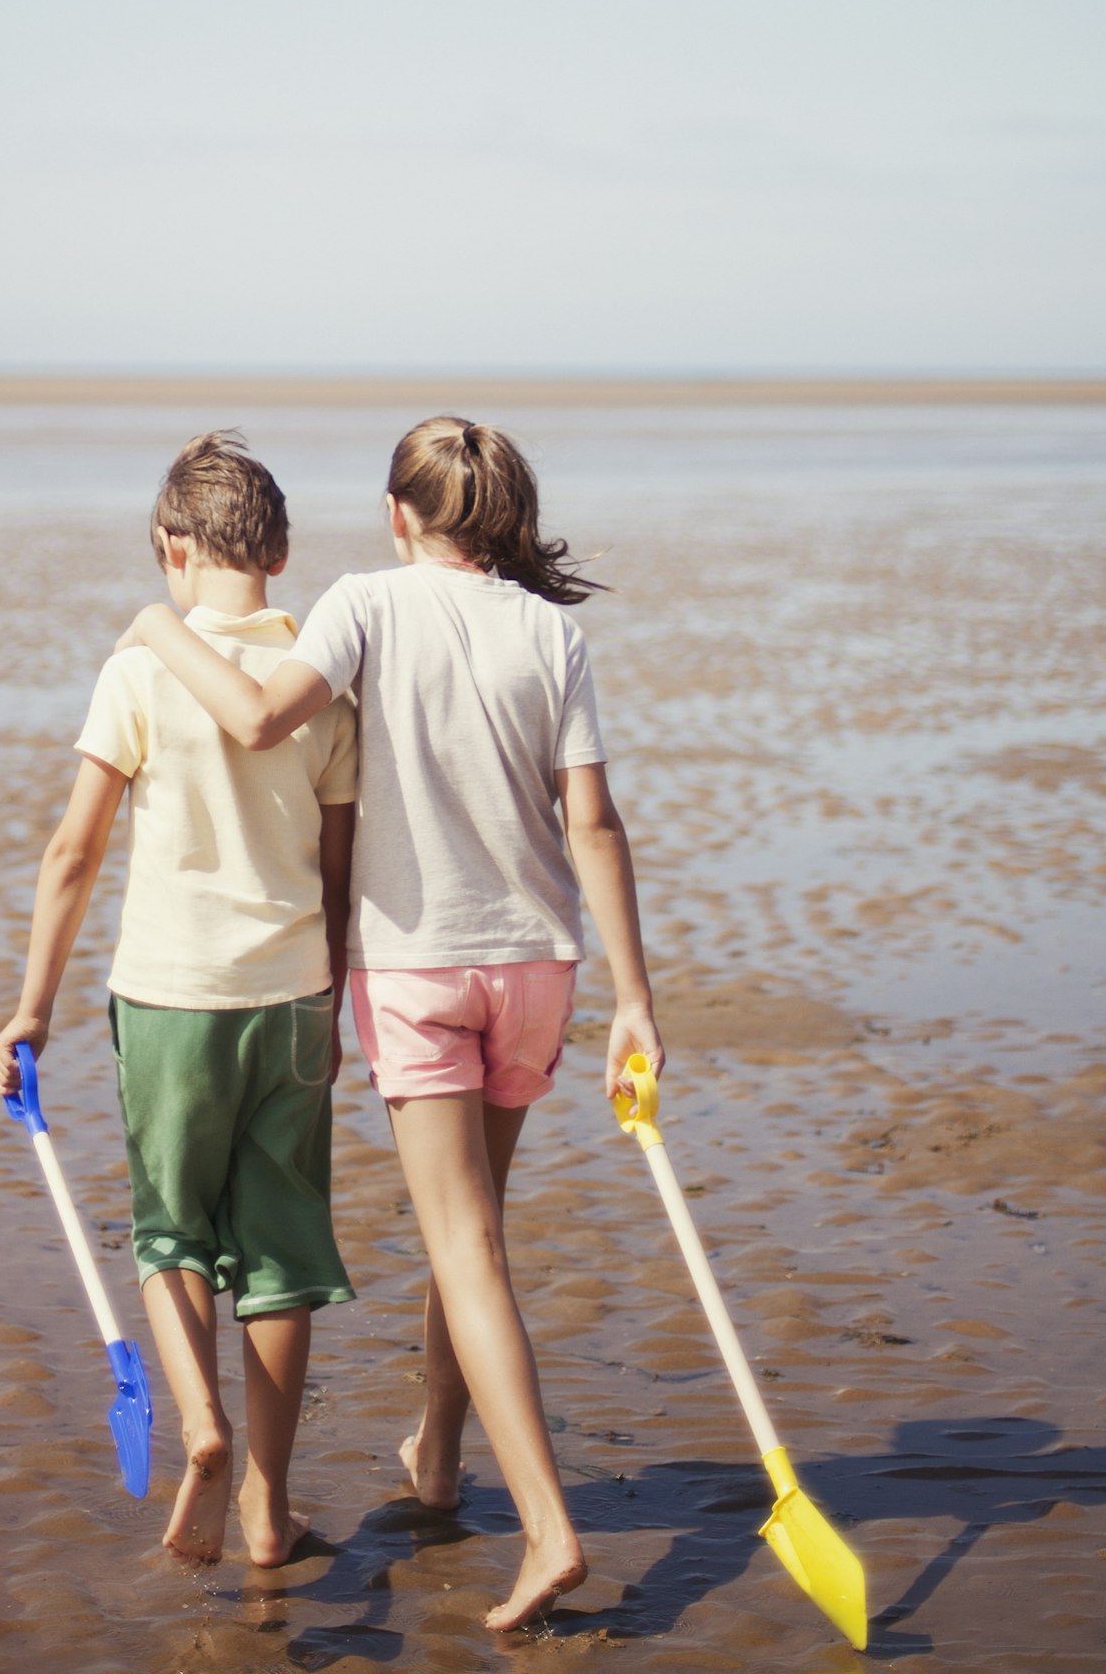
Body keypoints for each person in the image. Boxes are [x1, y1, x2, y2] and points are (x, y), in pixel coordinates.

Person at [119, 413, 663, 1631]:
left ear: (399, 516)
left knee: (465, 1247)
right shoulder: (552, 633)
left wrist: (157, 625)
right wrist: (634, 997)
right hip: (539, 968)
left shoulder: (364, 604)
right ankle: (437, 1457)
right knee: (473, 1235)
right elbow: (596, 828)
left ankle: (548, 1527)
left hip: (421, 972)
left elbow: (259, 719)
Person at [0, 432, 358, 1568]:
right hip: (290, 996)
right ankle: (265, 1501)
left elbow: (72, 852)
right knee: (281, 1257)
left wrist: (31, 1007)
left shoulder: (144, 667)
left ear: (171, 548)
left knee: (171, 1235)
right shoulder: (319, 681)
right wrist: (333, 996)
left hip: (168, 998)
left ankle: (196, 1421)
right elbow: (341, 866)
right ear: (281, 552)